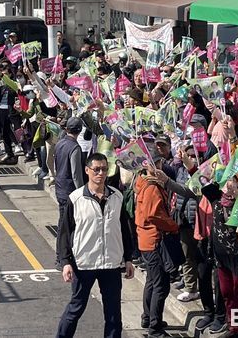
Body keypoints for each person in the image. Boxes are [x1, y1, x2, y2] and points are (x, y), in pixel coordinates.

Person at [56, 153, 135, 338]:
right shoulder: (75, 199)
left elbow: (124, 229)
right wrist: (65, 262)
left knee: (114, 313)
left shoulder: (117, 196)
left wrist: (129, 259)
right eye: (96, 169)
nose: (100, 173)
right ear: (87, 170)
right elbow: (64, 233)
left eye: (104, 169)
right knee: (76, 308)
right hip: (84, 263)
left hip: (111, 264)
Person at [134, 157, 180, 338]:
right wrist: (172, 225)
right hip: (154, 240)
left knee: (152, 281)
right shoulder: (152, 187)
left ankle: (148, 317)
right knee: (160, 285)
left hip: (145, 239)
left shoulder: (142, 181)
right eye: (158, 164)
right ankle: (154, 327)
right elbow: (154, 215)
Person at [54, 117, 85, 266]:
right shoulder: (75, 148)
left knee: (62, 223)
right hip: (70, 191)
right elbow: (76, 174)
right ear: (79, 130)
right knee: (67, 226)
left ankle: (60, 256)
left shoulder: (60, 143)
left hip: (59, 187)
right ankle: (62, 257)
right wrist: (82, 193)